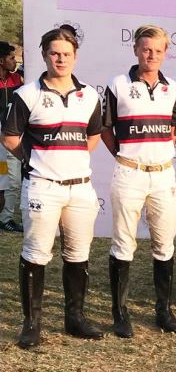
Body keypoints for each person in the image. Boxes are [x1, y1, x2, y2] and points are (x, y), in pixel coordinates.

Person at [3, 28, 104, 348]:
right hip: (42, 188)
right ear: (45, 54)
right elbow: (10, 138)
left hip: (80, 188)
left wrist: (68, 161)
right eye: (54, 53)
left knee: (78, 254)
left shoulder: (89, 95)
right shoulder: (27, 94)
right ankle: (31, 324)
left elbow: (93, 136)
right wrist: (37, 161)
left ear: (75, 56)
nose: (60, 59)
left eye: (66, 53)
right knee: (35, 255)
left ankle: (74, 319)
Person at [100, 25, 176, 337]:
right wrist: (123, 155)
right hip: (129, 173)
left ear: (165, 53)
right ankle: (120, 314)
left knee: (164, 244)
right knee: (123, 243)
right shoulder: (118, 84)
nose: (152, 55)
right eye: (146, 49)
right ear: (136, 49)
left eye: (158, 50)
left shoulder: (172, 87)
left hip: (163, 175)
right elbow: (106, 128)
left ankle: (164, 310)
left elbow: (173, 128)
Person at [0, 40, 24, 232]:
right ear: (1, 61)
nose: (14, 61)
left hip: (9, 139)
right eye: (11, 58)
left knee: (12, 181)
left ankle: (6, 218)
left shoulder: (18, 80)